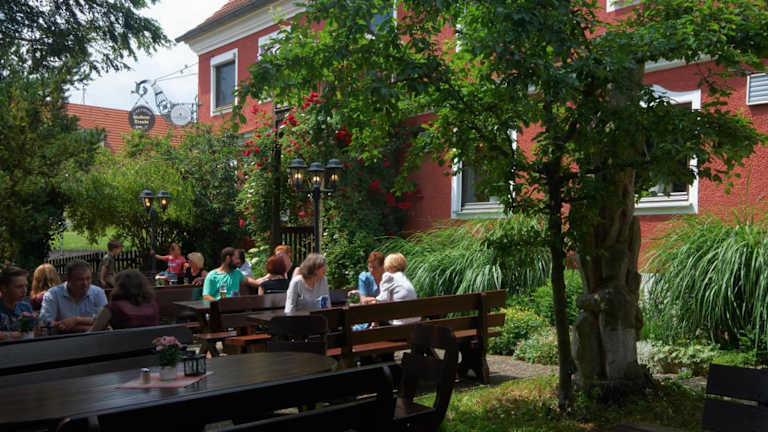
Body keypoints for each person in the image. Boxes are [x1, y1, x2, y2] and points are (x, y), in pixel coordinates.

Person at [39, 260, 108, 332]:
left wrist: (76, 320)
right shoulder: (52, 295)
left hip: (93, 338)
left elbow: (105, 320)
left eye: (88, 278)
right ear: (68, 279)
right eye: (80, 279)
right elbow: (46, 323)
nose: (85, 283)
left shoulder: (98, 293)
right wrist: (89, 327)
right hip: (63, 338)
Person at [90, 270, 159, 331]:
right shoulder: (152, 305)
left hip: (122, 341)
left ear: (119, 287)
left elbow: (92, 333)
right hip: (150, 341)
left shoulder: (113, 307)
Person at [367, 253, 419, 325]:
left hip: (399, 324)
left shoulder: (389, 276)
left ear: (390, 265)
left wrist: (373, 301)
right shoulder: (404, 278)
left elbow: (382, 300)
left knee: (374, 306)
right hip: (414, 322)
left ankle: (372, 327)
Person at [0, 266, 33, 332]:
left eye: (26, 286)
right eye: (19, 287)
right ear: (4, 288)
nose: (24, 290)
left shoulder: (25, 307)